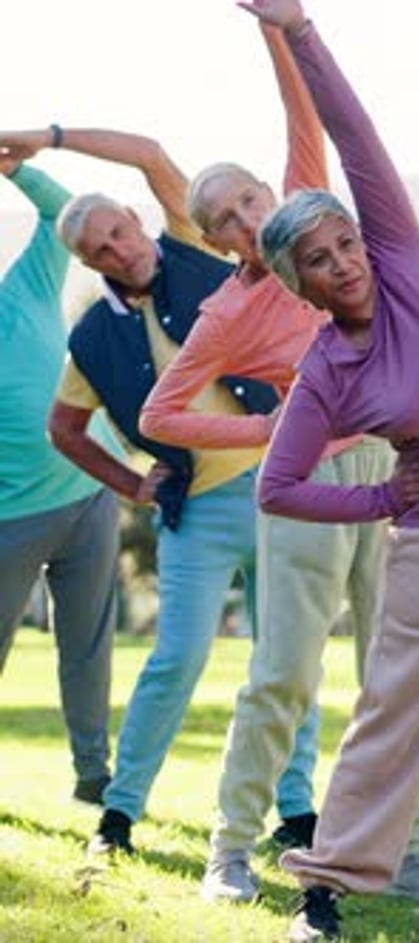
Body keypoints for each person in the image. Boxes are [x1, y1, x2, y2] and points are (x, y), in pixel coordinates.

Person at [138, 11, 419, 909]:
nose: (249, 217)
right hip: (308, 486)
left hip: (396, 470)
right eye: (226, 218)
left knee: (398, 672)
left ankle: (411, 852)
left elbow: (302, 116)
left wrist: (278, 30)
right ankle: (230, 850)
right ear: (215, 240)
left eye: (250, 198)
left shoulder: (309, 215)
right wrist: (271, 430)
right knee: (284, 673)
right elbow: (161, 411)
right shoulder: (225, 315)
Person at [0, 41, 314, 859]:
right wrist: (132, 482)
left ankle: (298, 808)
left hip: (281, 483)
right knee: (175, 659)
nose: (119, 249)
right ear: (84, 262)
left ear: (136, 220)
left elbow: (147, 152)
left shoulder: (195, 246)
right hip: (195, 509)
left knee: (287, 653)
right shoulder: (92, 337)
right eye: (98, 249)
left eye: (118, 230)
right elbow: (64, 428)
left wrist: (45, 138)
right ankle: (119, 811)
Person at [243, 2, 419, 940]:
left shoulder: (402, 258)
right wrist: (385, 494)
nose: (343, 264)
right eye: (318, 260)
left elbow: (355, 140)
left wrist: (300, 31)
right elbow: (277, 487)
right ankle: (323, 888)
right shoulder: (327, 373)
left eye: (344, 243)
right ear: (299, 285)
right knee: (396, 713)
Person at [0, 151, 120, 805]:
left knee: (87, 646)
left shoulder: (25, 288)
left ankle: (93, 774)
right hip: (10, 519)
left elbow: (62, 213)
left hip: (89, 494)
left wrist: (15, 168)